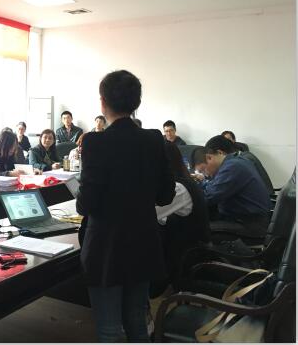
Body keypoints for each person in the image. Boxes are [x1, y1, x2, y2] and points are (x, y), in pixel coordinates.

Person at [76, 70, 175, 342]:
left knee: (109, 328)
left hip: (106, 247)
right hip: (143, 243)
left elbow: (85, 204)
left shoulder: (95, 142)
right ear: (136, 103)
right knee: (137, 323)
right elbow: (165, 196)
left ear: (102, 102)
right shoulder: (154, 139)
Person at [156, 142, 211, 292]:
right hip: (184, 248)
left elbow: (147, 214)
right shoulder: (184, 182)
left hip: (188, 256)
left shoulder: (178, 188)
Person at [198, 135, 271, 236]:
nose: (208, 162)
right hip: (247, 218)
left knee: (198, 229)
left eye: (209, 158)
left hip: (249, 224)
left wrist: (190, 193)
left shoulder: (232, 166)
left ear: (220, 153)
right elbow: (214, 186)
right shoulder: (237, 160)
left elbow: (208, 197)